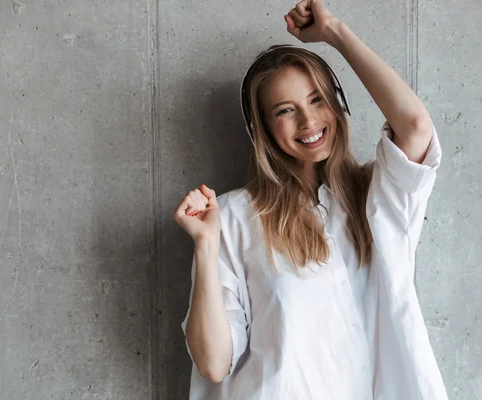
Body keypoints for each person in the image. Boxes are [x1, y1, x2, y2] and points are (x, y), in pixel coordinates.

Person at [174, 1, 448, 399]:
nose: (308, 121)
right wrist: (205, 244)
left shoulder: (380, 196)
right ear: (264, 129)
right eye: (286, 110)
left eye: (317, 99)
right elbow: (214, 363)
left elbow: (416, 125)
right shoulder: (232, 217)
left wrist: (334, 32)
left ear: (337, 104)